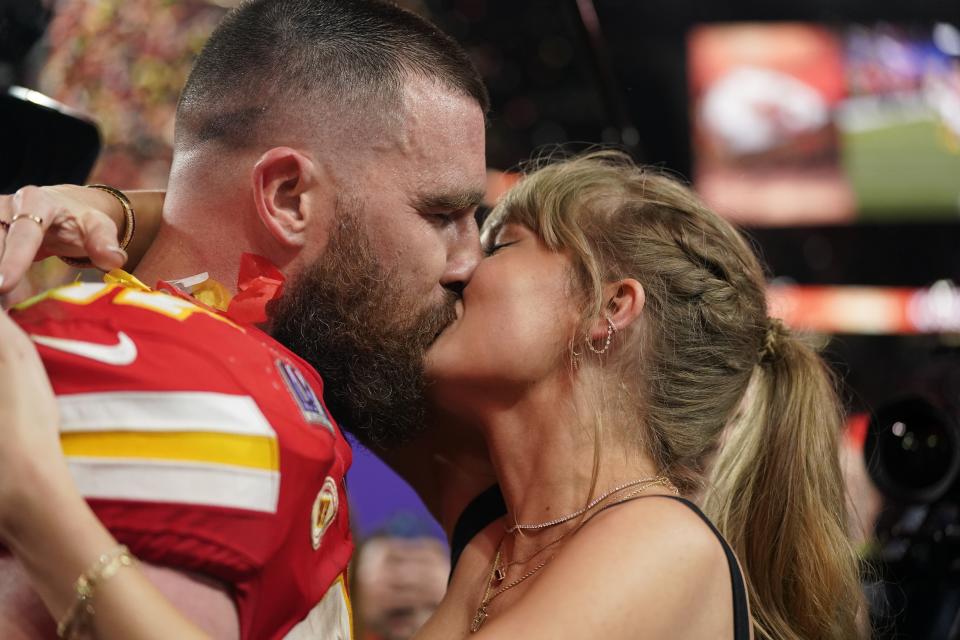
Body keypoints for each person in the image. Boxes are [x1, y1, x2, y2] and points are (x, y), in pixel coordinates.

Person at [0, 151, 865, 639]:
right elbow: (298, 250)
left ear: (609, 307)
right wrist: (108, 203)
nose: (460, 266)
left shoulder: (658, 542)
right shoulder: (497, 530)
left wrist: (39, 500)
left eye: (505, 241)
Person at [0, 0, 496, 637]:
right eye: (440, 216)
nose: (469, 262)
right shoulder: (172, 377)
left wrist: (115, 207)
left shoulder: (246, 369)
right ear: (288, 197)